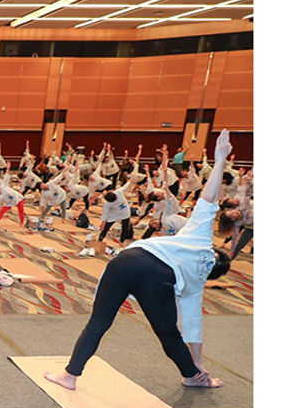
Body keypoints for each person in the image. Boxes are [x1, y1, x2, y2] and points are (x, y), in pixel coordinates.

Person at [43, 130, 237, 391]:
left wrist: (220, 158)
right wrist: (198, 364)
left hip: (126, 261)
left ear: (215, 254)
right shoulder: (195, 286)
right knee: (167, 333)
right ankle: (192, 377)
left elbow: (209, 198)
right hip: (156, 279)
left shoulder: (201, 239)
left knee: (98, 323)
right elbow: (192, 330)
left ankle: (70, 376)